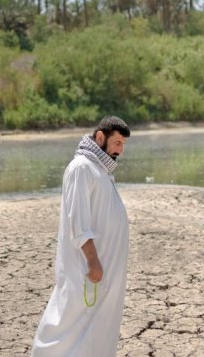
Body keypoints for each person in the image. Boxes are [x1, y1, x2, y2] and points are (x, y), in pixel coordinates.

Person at [32, 116, 131, 357]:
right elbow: (78, 221)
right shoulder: (81, 168)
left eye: (123, 145)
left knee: (97, 328)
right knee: (68, 323)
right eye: (117, 143)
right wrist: (93, 261)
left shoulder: (98, 168)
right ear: (100, 137)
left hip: (104, 270)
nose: (120, 150)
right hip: (86, 269)